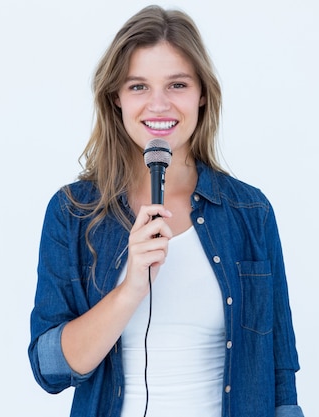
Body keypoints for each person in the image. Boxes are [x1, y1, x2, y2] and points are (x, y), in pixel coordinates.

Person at [28, 5, 304, 417]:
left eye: (177, 84)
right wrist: (131, 289)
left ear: (202, 94)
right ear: (116, 98)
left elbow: (281, 371)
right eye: (138, 86)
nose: (159, 105)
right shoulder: (73, 212)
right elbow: (50, 369)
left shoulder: (250, 212)